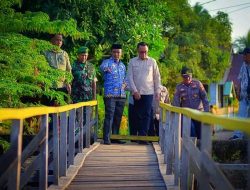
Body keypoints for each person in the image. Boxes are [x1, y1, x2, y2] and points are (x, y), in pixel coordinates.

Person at [128, 42, 161, 144]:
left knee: (147, 115)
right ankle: (136, 137)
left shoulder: (152, 62)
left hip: (148, 92)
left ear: (147, 51)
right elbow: (130, 77)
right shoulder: (132, 62)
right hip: (136, 93)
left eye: (145, 52)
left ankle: (143, 137)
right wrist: (135, 91)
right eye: (141, 52)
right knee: (137, 115)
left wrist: (158, 91)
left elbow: (157, 77)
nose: (143, 54)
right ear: (138, 51)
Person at [100, 44, 127, 145]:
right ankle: (106, 138)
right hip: (110, 95)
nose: (116, 54)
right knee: (109, 116)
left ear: (121, 53)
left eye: (118, 52)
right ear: (111, 52)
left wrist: (125, 84)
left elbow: (125, 78)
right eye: (115, 52)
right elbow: (102, 68)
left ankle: (115, 137)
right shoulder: (106, 63)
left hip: (121, 95)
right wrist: (105, 69)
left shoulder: (123, 65)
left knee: (118, 117)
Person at [173, 66, 209, 139]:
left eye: (189, 76)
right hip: (187, 115)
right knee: (192, 134)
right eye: (186, 77)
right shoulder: (179, 87)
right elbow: (176, 102)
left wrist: (206, 111)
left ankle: (200, 149)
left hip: (199, 113)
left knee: (201, 136)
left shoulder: (198, 84)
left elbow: (205, 98)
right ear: (182, 77)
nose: (188, 78)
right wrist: (177, 116)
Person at [44, 34, 72, 105]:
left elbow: (68, 70)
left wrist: (68, 82)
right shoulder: (45, 53)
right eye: (57, 40)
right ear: (51, 40)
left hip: (62, 86)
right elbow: (41, 69)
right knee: (49, 109)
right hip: (49, 86)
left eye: (61, 40)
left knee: (61, 109)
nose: (59, 42)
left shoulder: (64, 54)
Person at [230, 47, 250, 140]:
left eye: (245, 55)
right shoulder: (244, 65)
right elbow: (240, 79)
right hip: (244, 96)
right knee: (241, 115)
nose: (243, 57)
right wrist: (238, 91)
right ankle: (238, 135)